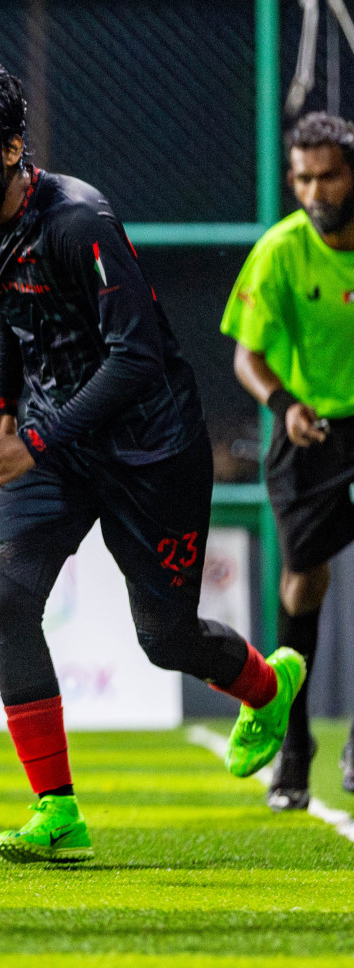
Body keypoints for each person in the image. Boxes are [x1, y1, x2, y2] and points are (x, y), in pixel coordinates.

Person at [0, 63, 304, 864]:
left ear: (14, 147)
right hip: (54, 449)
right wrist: (3, 410)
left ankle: (268, 687)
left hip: (150, 450)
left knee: (165, 640)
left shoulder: (79, 221)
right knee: (5, 595)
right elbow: (8, 313)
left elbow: (134, 360)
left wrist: (30, 439)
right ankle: (57, 812)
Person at [221, 111, 354, 808]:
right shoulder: (281, 250)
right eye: (303, 178)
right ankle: (294, 748)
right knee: (304, 582)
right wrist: (285, 406)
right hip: (309, 429)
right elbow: (248, 354)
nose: (315, 190)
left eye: (329, 174)